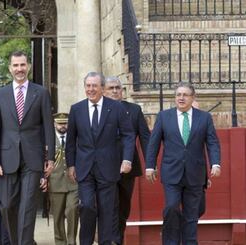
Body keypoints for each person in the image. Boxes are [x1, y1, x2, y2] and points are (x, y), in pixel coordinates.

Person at [0, 50, 55, 245]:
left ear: (28, 66)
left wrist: (50, 157)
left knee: (27, 207)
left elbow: (48, 127)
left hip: (32, 158)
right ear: (10, 68)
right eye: (15, 65)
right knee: (7, 206)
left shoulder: (41, 92)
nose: (19, 69)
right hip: (7, 159)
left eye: (22, 65)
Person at [145, 82, 221, 244]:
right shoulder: (164, 116)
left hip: (195, 174)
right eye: (178, 94)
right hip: (172, 173)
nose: (181, 98)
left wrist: (215, 163)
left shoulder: (204, 117)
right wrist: (150, 166)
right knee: (172, 207)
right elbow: (154, 143)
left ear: (193, 98)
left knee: (191, 215)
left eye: (185, 95)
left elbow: (212, 142)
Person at [65, 72, 135, 245]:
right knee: (87, 206)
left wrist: (127, 159)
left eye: (94, 86)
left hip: (109, 167)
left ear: (102, 88)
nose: (91, 89)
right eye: (88, 86)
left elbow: (128, 135)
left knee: (107, 211)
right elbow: (71, 140)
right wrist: (71, 165)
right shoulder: (76, 109)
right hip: (85, 167)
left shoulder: (117, 108)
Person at [104, 76, 151, 243]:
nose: (115, 91)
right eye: (111, 88)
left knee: (123, 207)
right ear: (103, 90)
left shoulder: (134, 110)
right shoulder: (97, 109)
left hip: (128, 167)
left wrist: (150, 164)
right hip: (103, 167)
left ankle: (118, 238)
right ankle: (111, 239)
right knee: (109, 205)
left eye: (118, 88)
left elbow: (145, 138)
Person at [48, 112, 79, 245]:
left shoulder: (76, 138)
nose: (62, 126)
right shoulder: (48, 139)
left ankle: (71, 241)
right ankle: (60, 242)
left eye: (65, 123)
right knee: (58, 215)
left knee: (73, 210)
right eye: (60, 123)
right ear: (54, 124)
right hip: (55, 182)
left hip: (73, 181)